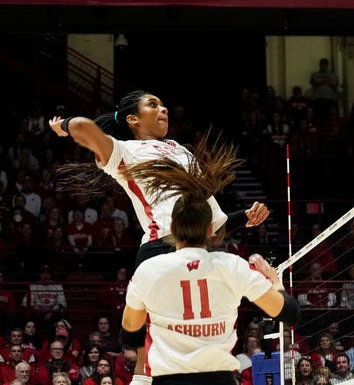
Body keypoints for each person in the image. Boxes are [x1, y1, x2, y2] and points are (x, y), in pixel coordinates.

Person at [49, 90, 271, 385]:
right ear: (132, 119)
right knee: (149, 345)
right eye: (153, 104)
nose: (163, 108)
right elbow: (82, 128)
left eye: (163, 103)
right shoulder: (125, 151)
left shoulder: (182, 151)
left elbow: (213, 225)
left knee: (203, 335)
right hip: (161, 249)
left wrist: (245, 216)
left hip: (199, 249)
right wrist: (63, 126)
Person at [117, 133, 300, 385]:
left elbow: (129, 334)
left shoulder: (149, 270)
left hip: (167, 379)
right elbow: (290, 314)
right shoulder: (232, 266)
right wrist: (274, 280)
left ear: (172, 225)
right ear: (211, 228)